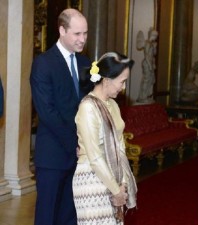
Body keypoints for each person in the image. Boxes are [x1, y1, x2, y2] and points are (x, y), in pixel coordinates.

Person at [30, 8, 90, 225]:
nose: (82, 39)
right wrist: (74, 143)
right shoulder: (44, 63)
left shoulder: (85, 63)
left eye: (85, 33)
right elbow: (47, 113)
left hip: (79, 155)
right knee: (48, 215)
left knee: (71, 215)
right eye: (77, 34)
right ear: (62, 30)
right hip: (53, 155)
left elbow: (89, 105)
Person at [73, 52, 137, 224]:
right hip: (92, 179)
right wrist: (116, 190)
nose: (123, 87)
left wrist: (122, 182)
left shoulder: (113, 104)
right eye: (122, 81)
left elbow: (120, 147)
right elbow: (94, 157)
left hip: (113, 176)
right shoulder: (88, 107)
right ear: (107, 80)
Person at [136, 27, 158, 103]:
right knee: (146, 80)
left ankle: (146, 95)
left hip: (150, 63)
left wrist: (155, 47)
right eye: (155, 36)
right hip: (147, 63)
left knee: (151, 80)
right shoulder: (147, 43)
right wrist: (149, 65)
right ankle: (142, 97)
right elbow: (147, 55)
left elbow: (154, 54)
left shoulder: (152, 44)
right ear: (152, 35)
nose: (155, 38)